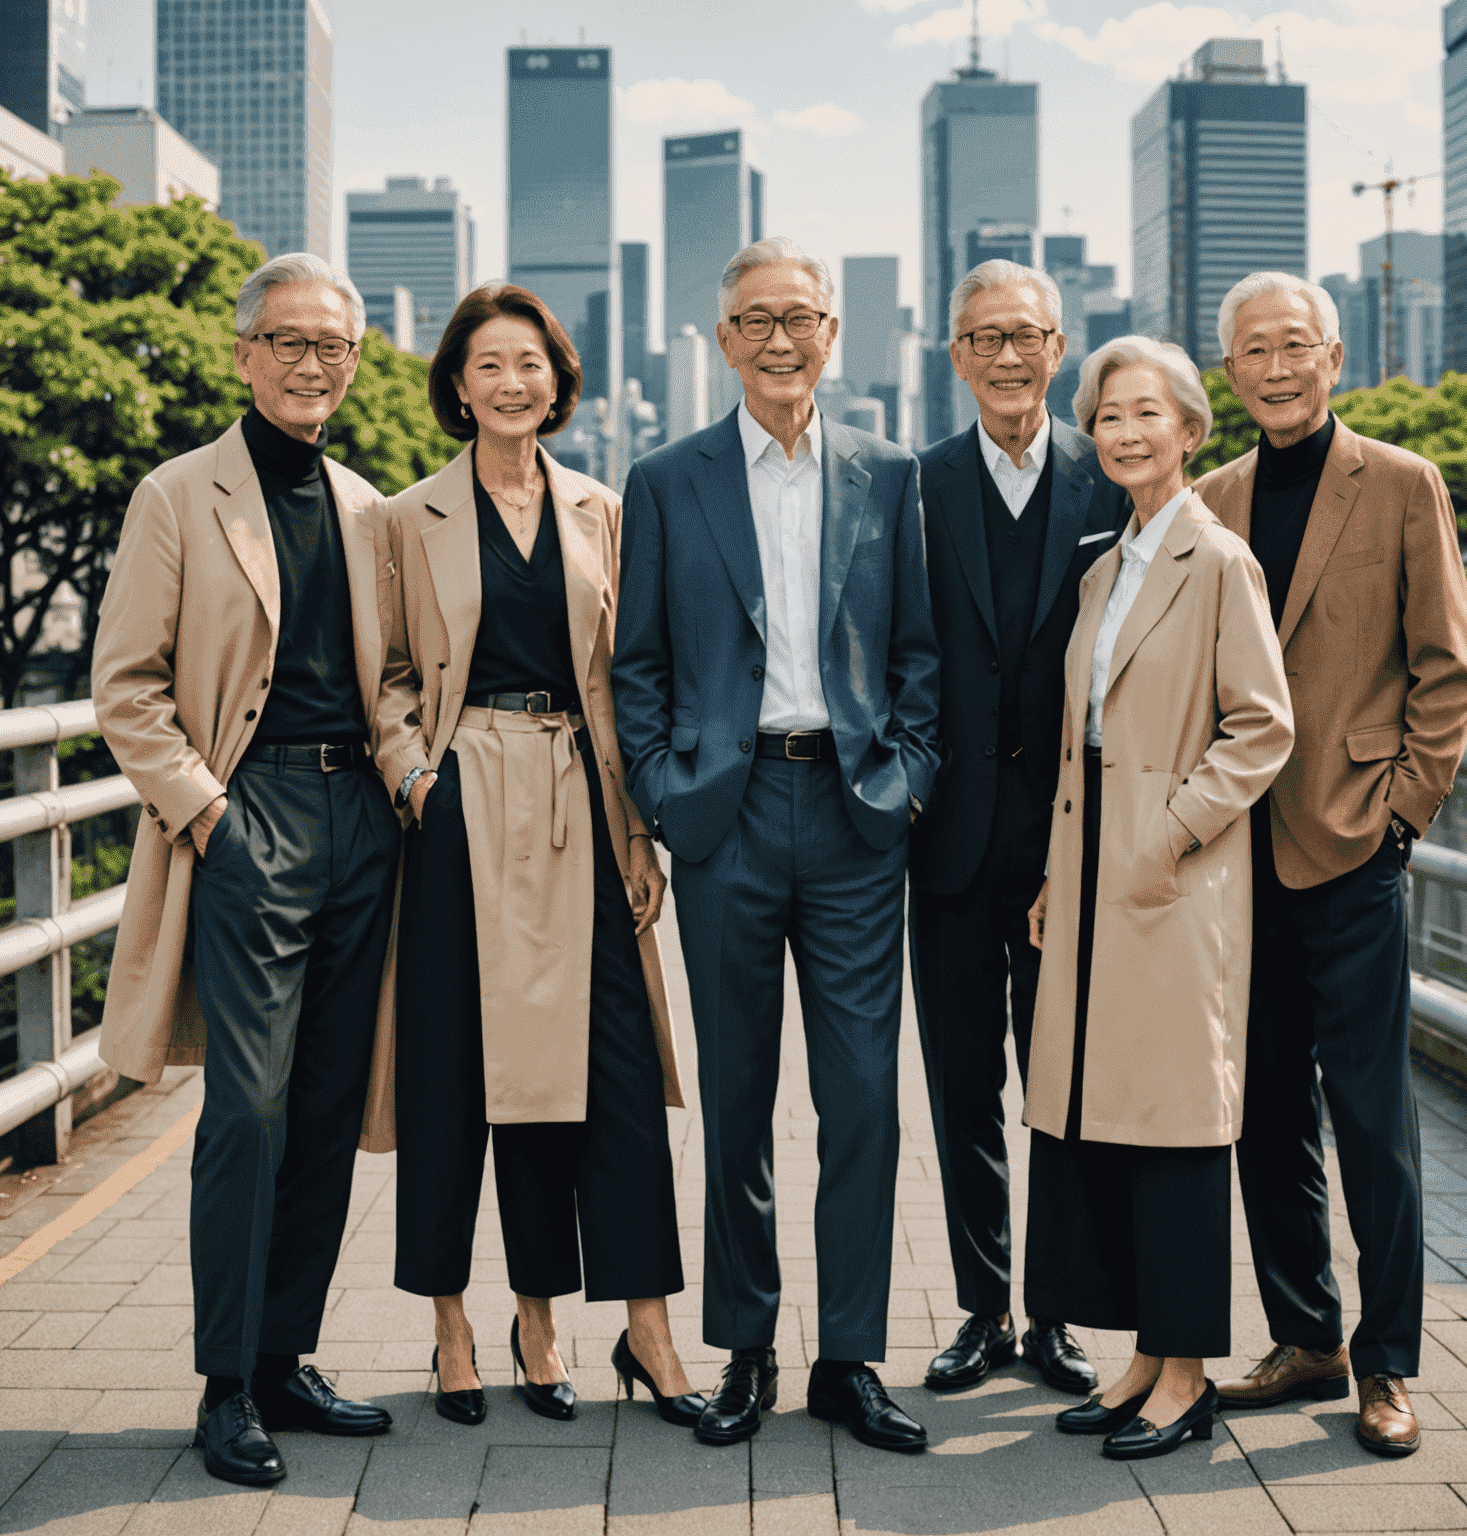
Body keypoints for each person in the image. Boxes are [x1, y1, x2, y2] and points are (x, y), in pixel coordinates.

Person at [612, 237, 942, 1454]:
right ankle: (745, 1350)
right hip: (725, 820)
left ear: (833, 331)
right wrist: (662, 789)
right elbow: (636, 662)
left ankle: (849, 1357)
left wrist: (907, 779)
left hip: (856, 818)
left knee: (863, 1101)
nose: (778, 339)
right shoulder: (666, 478)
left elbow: (918, 652)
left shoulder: (889, 473)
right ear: (720, 339)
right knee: (738, 1099)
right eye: (754, 319)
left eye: (799, 317)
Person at [93, 253, 400, 1486]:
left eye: (332, 346)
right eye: (287, 341)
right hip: (250, 811)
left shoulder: (371, 504)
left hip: (361, 820)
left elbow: (388, 678)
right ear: (243, 354)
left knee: (328, 1106)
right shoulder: (177, 496)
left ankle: (287, 1359)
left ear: (355, 362)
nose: (310, 363)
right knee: (249, 1110)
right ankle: (225, 1383)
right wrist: (211, 816)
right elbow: (128, 688)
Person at [374, 284, 702, 1433]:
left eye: (533, 364)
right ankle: (461, 1322)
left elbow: (626, 677)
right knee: (458, 1069)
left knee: (609, 1069)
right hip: (464, 799)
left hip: (580, 797)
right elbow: (392, 675)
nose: (514, 383)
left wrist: (639, 832)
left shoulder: (602, 509)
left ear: (561, 382)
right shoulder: (406, 518)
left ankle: (633, 1328)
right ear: (457, 388)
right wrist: (416, 774)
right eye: (490, 366)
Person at [1197, 273, 1467, 1457]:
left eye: (1294, 346)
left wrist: (1402, 818)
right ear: (1230, 372)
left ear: (1334, 356)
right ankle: (1305, 1333)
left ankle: (1391, 1365)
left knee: (1373, 1121)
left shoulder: (1404, 484)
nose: (1274, 366)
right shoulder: (1210, 500)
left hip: (1355, 845)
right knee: (1264, 1115)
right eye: (1252, 350)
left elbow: (1448, 668)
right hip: (1236, 859)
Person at [1022, 335, 1294, 1460]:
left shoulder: (1218, 559)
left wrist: (1173, 827)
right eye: (1108, 417)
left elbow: (1264, 723)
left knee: (1177, 1127)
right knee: (1102, 1121)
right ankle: (1142, 1357)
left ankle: (1187, 1378)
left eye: (1148, 414)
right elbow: (1075, 743)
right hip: (1089, 881)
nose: (1126, 433)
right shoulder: (1103, 564)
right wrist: (1052, 870)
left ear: (1191, 428)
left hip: (1172, 881)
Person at [910, 259, 1127, 1397]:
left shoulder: (1110, 481)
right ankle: (982, 1306)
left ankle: (1057, 1315)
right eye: (984, 337)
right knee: (961, 1087)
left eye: (1027, 336)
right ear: (955, 355)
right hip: (944, 841)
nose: (1006, 355)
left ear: (1061, 346)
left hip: (1069, 845)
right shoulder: (913, 482)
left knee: (1063, 1086)